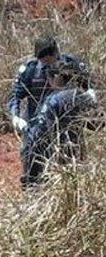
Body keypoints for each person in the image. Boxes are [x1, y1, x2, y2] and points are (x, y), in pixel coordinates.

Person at [20, 61, 101, 189]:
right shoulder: (81, 97)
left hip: (52, 162)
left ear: (56, 78)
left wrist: (30, 175)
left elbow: (37, 137)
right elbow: (97, 125)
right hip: (74, 158)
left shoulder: (53, 100)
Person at [7, 35, 89, 134]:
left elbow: (89, 87)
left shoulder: (71, 64)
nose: (48, 65)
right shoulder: (30, 71)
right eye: (44, 61)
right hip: (37, 125)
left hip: (68, 124)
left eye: (51, 60)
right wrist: (16, 117)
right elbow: (15, 96)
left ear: (56, 53)